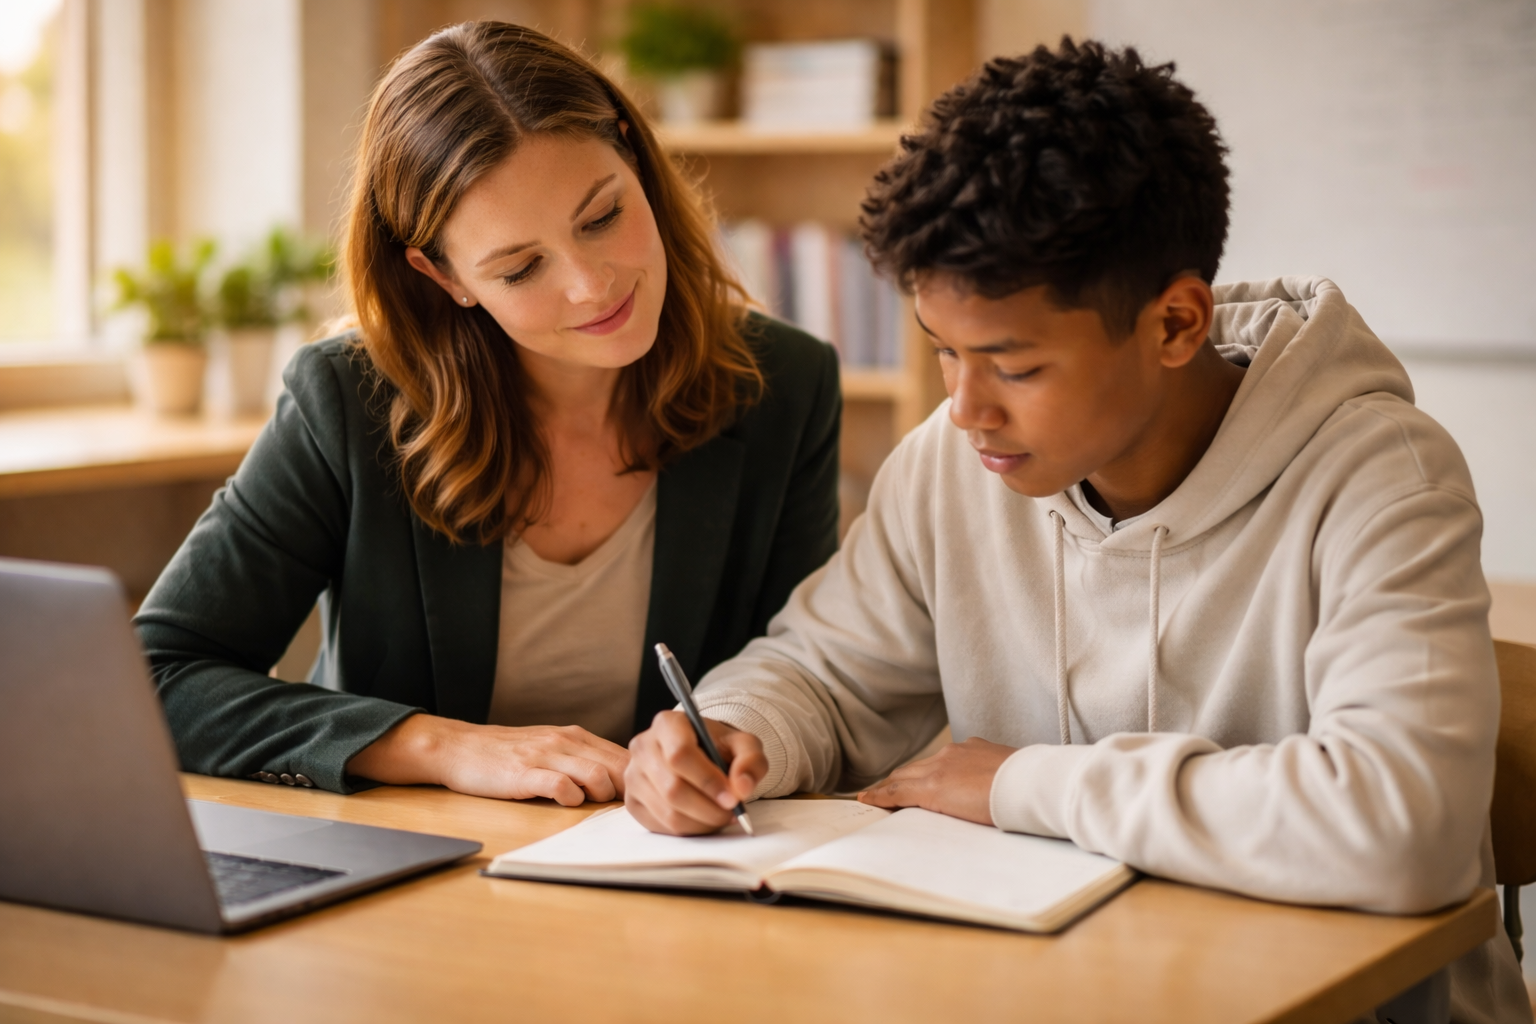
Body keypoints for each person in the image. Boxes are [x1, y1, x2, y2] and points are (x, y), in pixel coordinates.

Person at [623, 39, 1528, 1023]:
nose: (967, 408)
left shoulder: (1380, 476)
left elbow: (1401, 828)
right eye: (942, 353)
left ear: (1176, 325)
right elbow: (821, 672)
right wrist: (732, 732)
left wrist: (1022, 784)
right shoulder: (952, 461)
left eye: (1013, 366)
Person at [133, 22, 841, 808]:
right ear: (443, 276)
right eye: (521, 266)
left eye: (602, 217)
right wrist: (438, 745)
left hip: (669, 875)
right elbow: (157, 675)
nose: (591, 284)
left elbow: (808, 674)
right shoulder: (347, 400)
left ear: (633, 156)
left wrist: (741, 750)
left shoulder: (785, 384)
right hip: (418, 880)